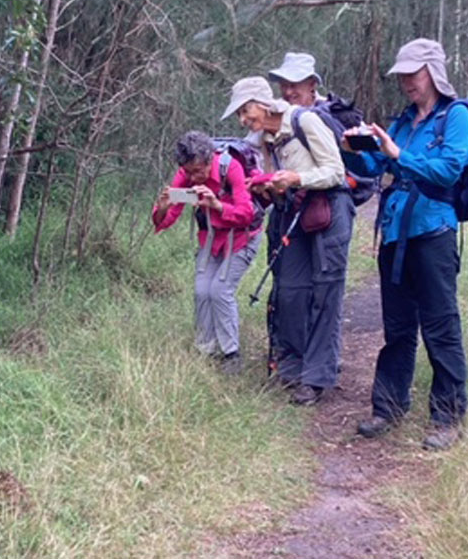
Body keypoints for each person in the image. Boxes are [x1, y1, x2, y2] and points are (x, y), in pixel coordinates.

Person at [341, 38, 468, 450]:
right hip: (395, 234)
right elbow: (375, 167)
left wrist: (399, 154)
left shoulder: (457, 117)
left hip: (433, 233)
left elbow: (450, 169)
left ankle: (448, 417)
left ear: (433, 72)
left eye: (412, 74)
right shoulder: (401, 121)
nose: (405, 82)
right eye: (401, 75)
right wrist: (353, 152)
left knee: (440, 326)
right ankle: (388, 407)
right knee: (398, 327)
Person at [221, 77, 354, 405]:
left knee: (325, 294)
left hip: (329, 212)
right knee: (290, 291)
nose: (243, 120)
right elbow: (276, 179)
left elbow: (335, 172)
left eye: (246, 110)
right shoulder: (265, 139)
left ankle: (316, 378)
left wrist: (299, 178)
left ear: (263, 103)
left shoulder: (304, 120)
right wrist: (268, 187)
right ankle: (291, 370)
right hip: (294, 212)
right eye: (239, 115)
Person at [152, 130, 262, 374]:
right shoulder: (185, 174)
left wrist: (217, 205)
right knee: (202, 290)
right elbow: (165, 219)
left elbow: (247, 213)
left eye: (199, 171)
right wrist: (161, 209)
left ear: (210, 158)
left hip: (242, 238)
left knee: (220, 290)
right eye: (189, 172)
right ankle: (206, 351)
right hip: (211, 239)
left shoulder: (230, 168)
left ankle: (231, 354)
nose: (194, 177)